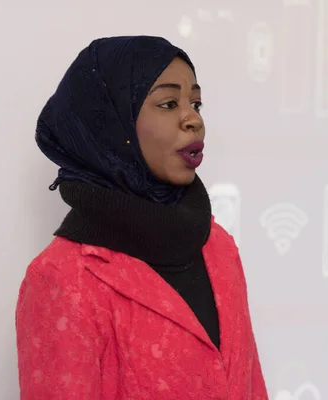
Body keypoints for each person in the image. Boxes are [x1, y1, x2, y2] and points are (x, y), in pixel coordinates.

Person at [15, 36, 268, 399]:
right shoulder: (63, 279)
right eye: (168, 103)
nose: (193, 119)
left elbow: (251, 386)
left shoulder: (217, 245)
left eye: (196, 103)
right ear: (110, 125)